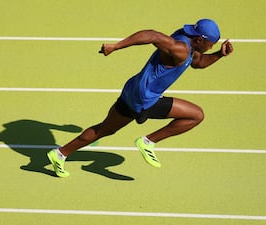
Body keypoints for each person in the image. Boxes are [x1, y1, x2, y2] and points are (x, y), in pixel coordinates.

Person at [47, 18, 234, 177]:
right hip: (145, 99)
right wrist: (115, 46)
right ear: (200, 40)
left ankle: (60, 154)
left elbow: (199, 62)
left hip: (133, 89)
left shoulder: (188, 43)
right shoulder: (180, 49)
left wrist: (219, 54)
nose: (211, 47)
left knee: (104, 129)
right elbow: (151, 35)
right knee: (196, 115)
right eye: (212, 44)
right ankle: (148, 142)